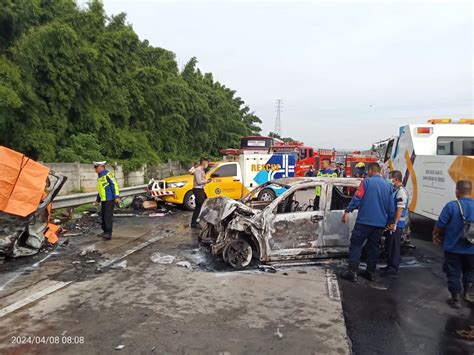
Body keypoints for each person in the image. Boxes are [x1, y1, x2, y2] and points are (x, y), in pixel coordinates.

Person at [340, 162, 394, 282]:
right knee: (373, 247)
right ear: (379, 171)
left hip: (364, 222)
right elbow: (391, 207)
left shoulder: (366, 182)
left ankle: (352, 272)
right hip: (380, 224)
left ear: (370, 171)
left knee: (356, 245)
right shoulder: (388, 186)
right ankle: (370, 273)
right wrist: (390, 222)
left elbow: (357, 198)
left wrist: (348, 210)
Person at [433, 180, 474, 308]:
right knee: (470, 270)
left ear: (457, 191)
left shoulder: (452, 206)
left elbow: (440, 224)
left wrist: (435, 235)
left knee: (453, 272)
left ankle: (455, 298)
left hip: (453, 248)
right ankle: (468, 293)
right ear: (470, 191)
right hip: (472, 249)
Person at [381, 170, 409, 277]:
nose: (389, 180)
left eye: (390, 178)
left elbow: (400, 209)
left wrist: (395, 223)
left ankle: (393, 268)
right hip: (391, 222)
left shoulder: (401, 192)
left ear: (396, 179)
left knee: (394, 247)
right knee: (389, 245)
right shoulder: (395, 191)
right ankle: (389, 266)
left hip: (397, 224)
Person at [94, 161, 120, 240]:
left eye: (96, 167)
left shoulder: (108, 174)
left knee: (107, 217)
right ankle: (105, 231)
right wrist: (97, 200)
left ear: (101, 166)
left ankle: (109, 233)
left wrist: (116, 197)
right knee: (103, 215)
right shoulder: (99, 177)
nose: (95, 169)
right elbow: (100, 190)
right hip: (103, 200)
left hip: (110, 199)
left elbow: (114, 185)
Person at [190, 157, 212, 228]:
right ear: (204, 162)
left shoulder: (202, 170)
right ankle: (194, 222)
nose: (207, 164)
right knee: (199, 206)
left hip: (200, 189)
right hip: (197, 189)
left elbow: (201, 181)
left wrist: (206, 181)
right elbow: (199, 181)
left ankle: (195, 222)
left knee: (200, 206)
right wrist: (206, 181)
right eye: (207, 163)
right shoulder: (198, 170)